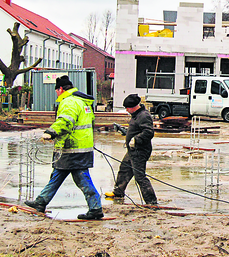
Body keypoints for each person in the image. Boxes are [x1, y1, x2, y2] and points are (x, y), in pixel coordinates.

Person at [25, 76, 103, 220]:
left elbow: (65, 121)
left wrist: (51, 132)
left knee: (82, 179)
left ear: (60, 89)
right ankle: (41, 202)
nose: (56, 94)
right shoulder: (82, 102)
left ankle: (96, 208)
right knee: (57, 175)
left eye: (56, 91)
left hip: (73, 148)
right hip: (79, 146)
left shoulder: (69, 102)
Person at [104, 94, 158, 206]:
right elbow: (136, 129)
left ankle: (151, 202)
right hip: (133, 150)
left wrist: (136, 139)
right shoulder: (136, 115)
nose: (126, 110)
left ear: (133, 106)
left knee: (140, 177)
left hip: (140, 151)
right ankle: (118, 192)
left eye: (127, 108)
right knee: (124, 169)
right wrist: (125, 131)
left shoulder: (144, 116)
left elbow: (149, 132)